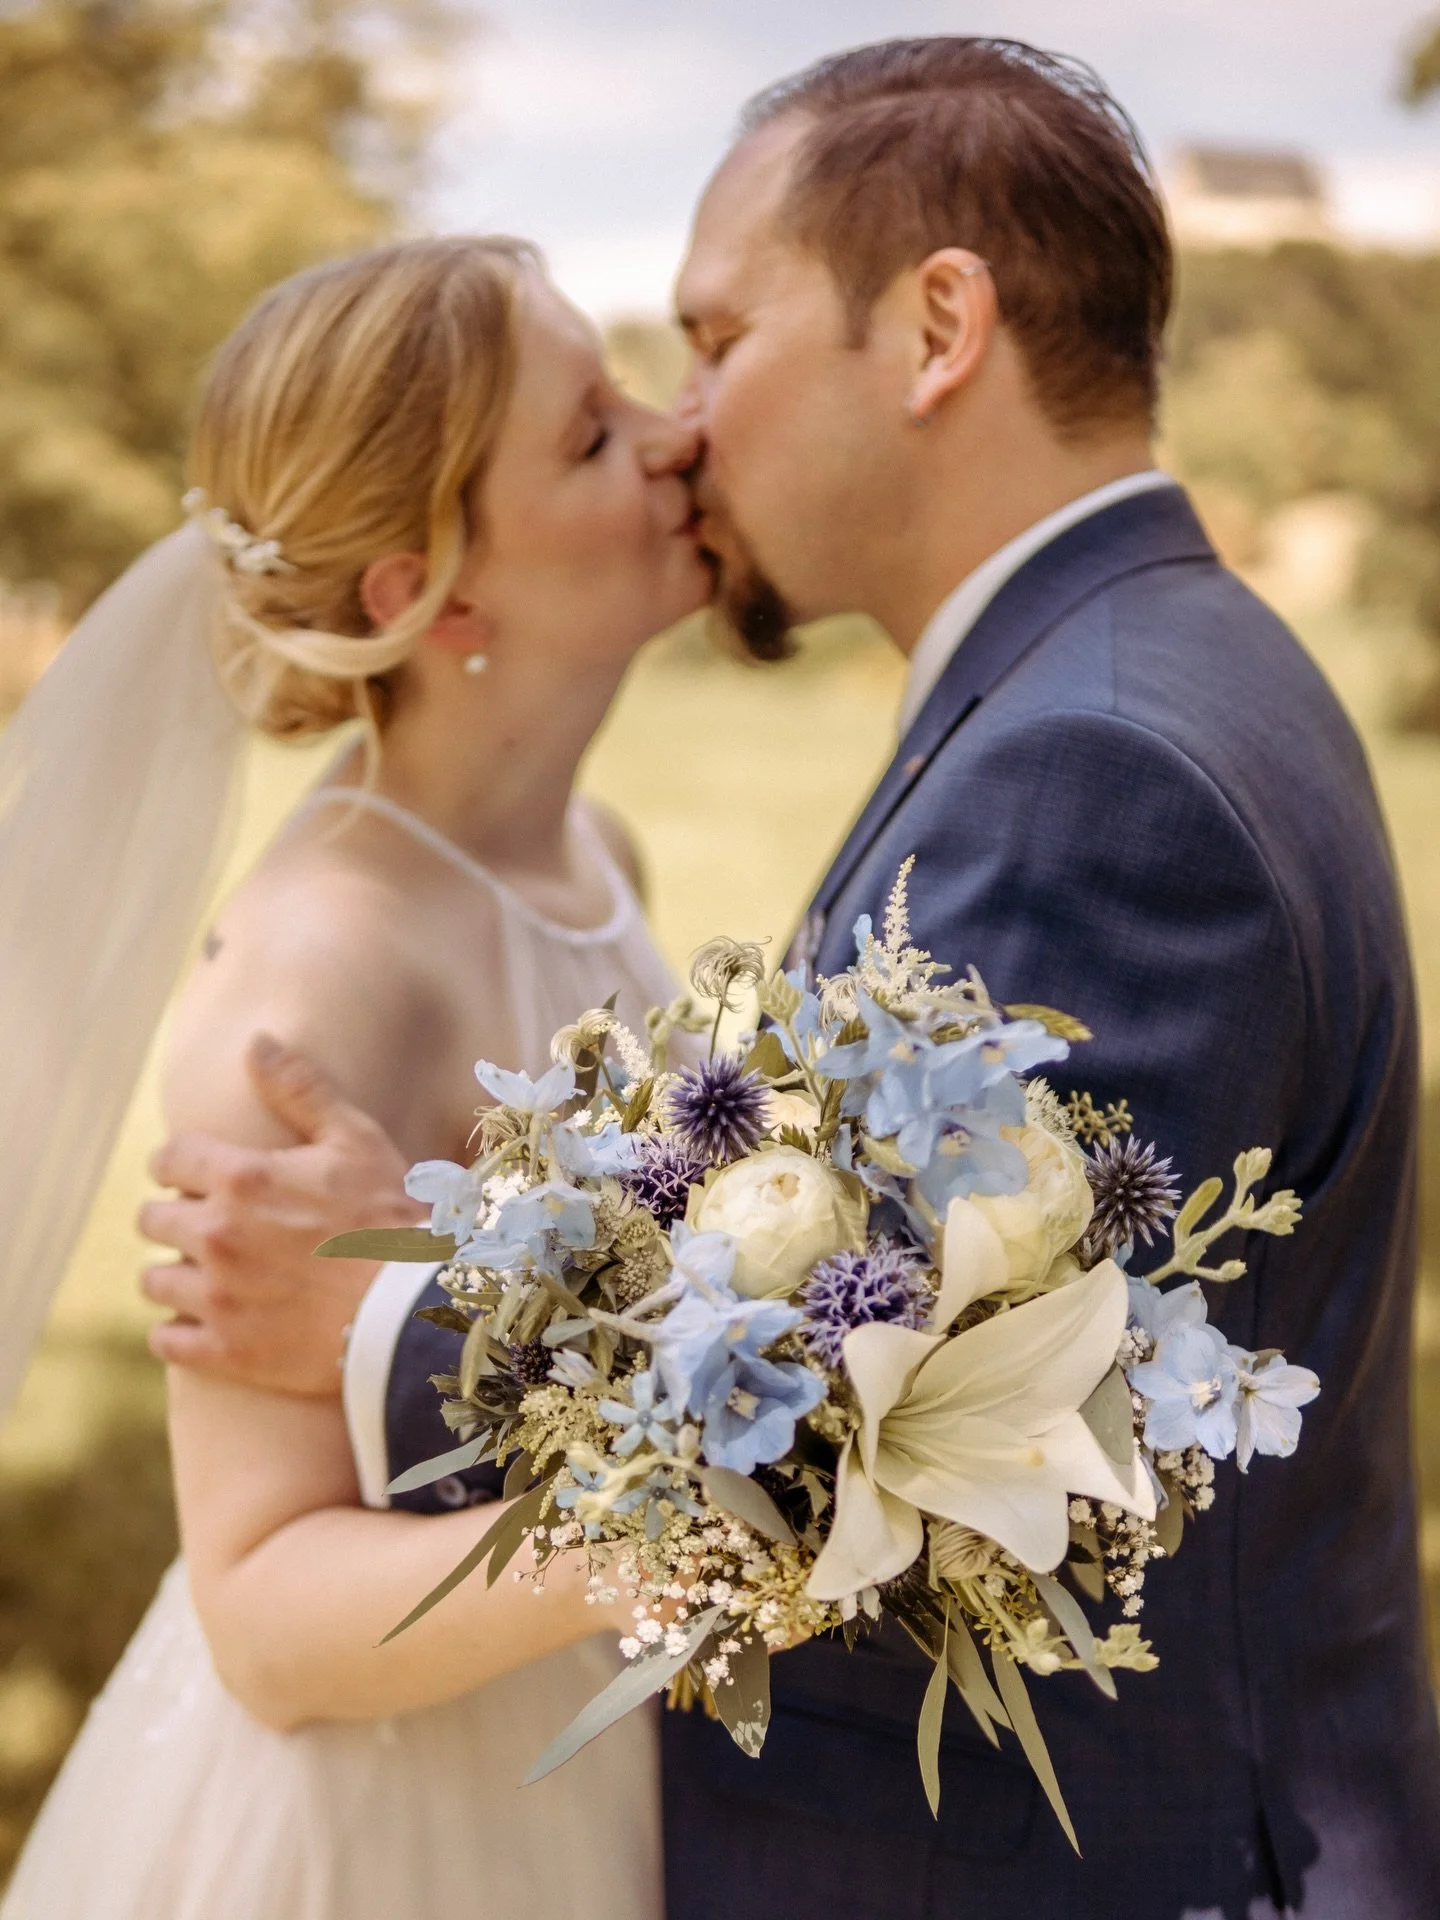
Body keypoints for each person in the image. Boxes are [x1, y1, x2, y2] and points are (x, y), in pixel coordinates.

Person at [139, 36, 1440, 1920]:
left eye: (715, 339)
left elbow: (885, 1404)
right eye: (615, 409)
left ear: (934, 332)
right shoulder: (1110, 689)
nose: (685, 428)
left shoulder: (1097, 770)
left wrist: (390, 1307)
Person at [0, 233, 709, 1917]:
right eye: (593, 434)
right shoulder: (321, 968)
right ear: (428, 592)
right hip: (384, 1827)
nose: (673, 432)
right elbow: (259, 1617)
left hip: (578, 1747)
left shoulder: (594, 854)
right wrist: (650, 1536)